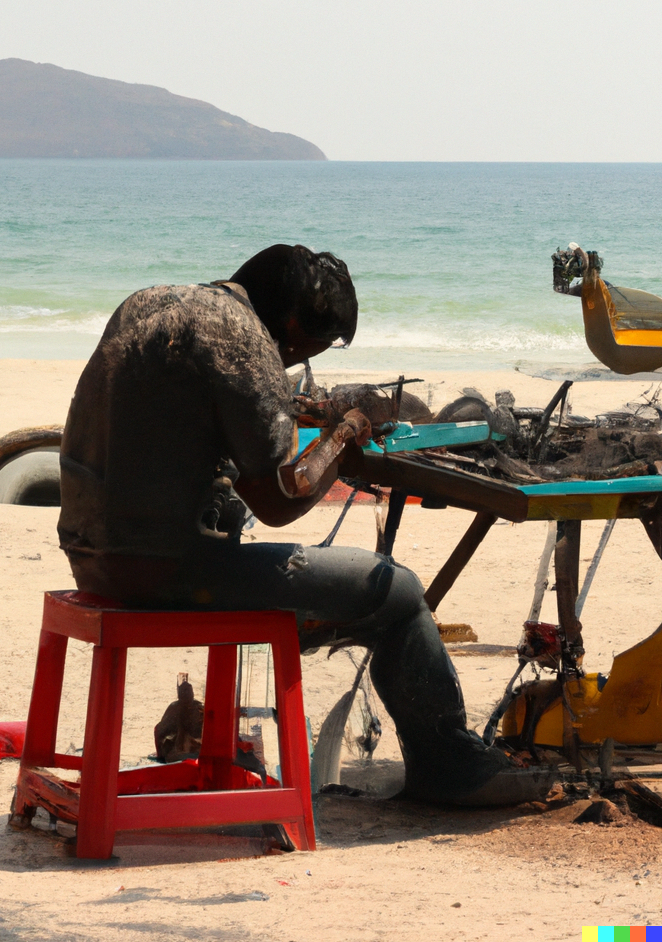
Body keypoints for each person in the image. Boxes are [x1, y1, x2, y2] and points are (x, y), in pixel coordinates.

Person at [57, 243, 555, 805]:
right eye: (322, 344)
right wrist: (342, 436)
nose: (303, 361)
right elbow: (279, 500)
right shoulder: (242, 339)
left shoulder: (152, 305)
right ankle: (449, 766)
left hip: (91, 556)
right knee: (395, 590)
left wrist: (291, 415)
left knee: (358, 586)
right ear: (294, 323)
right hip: (168, 570)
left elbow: (180, 428)